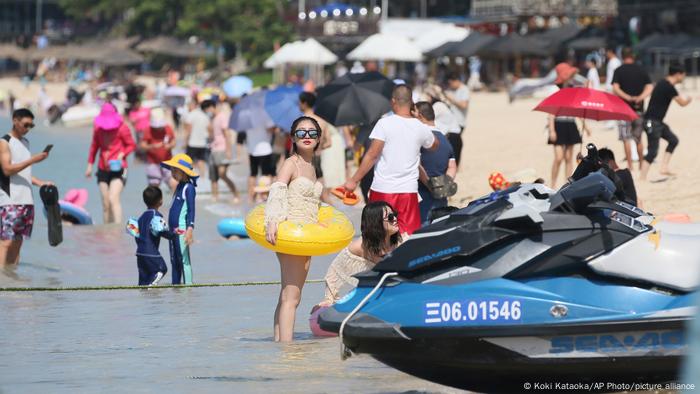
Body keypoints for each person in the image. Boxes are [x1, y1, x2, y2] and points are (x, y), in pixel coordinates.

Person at [343, 85, 439, 235]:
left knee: (378, 236)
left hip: (383, 189)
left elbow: (372, 155)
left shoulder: (384, 123)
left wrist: (354, 180)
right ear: (411, 102)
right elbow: (434, 145)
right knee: (405, 238)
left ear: (393, 101)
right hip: (408, 191)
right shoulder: (420, 127)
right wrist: (418, 122)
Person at [265, 116, 324, 342]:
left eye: (312, 133)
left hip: (306, 235)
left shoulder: (311, 166)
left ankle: (279, 344)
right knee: (292, 297)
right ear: (293, 138)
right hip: (291, 234)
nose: (307, 136)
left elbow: (309, 202)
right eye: (301, 133)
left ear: (318, 138)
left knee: (286, 295)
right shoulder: (292, 163)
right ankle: (288, 352)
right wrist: (273, 220)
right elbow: (278, 190)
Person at [317, 201, 402, 307]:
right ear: (376, 223)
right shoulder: (359, 246)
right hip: (373, 296)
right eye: (390, 217)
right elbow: (335, 271)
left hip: (396, 292)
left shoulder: (401, 241)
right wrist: (329, 299)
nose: (394, 219)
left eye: (394, 214)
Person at [0, 109, 52, 266]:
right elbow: (7, 169)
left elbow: (24, 174)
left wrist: (41, 183)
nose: (28, 129)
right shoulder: (4, 142)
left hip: (27, 200)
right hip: (9, 200)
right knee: (6, 242)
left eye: (31, 126)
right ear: (15, 120)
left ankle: (12, 282)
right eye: (25, 124)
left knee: (18, 243)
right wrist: (33, 160)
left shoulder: (26, 143)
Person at [86, 102, 136, 224]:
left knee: (113, 198)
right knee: (105, 203)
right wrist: (89, 166)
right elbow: (94, 147)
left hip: (119, 169)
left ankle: (117, 230)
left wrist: (122, 154)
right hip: (102, 169)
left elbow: (131, 145)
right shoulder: (98, 129)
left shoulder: (122, 128)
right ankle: (107, 232)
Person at [640, 63, 692, 181]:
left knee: (673, 140)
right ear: (678, 74)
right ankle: (642, 178)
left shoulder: (662, 82)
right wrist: (689, 100)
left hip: (657, 122)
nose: (683, 78)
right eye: (683, 75)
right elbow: (682, 103)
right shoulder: (668, 86)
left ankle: (664, 168)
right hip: (652, 122)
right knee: (652, 151)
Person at [413, 102, 457, 224]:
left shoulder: (420, 138)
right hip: (442, 194)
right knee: (440, 226)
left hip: (423, 194)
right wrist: (445, 183)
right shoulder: (444, 139)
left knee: (423, 231)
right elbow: (452, 166)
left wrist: (430, 184)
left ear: (420, 116)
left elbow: (416, 164)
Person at [547, 65, 590, 188]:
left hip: (570, 123)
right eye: (570, 75)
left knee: (568, 158)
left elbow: (576, 109)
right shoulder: (554, 90)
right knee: (559, 157)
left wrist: (585, 125)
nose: (572, 78)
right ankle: (553, 184)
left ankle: (567, 184)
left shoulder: (572, 90)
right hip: (558, 124)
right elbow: (551, 112)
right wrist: (551, 130)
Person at [612, 47, 653, 171]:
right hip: (638, 109)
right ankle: (641, 164)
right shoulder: (641, 70)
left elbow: (615, 88)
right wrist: (640, 97)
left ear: (622, 56)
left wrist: (627, 97)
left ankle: (630, 165)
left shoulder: (618, 71)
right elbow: (650, 87)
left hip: (623, 109)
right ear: (633, 56)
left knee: (626, 139)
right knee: (638, 138)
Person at [161, 153, 198, 285]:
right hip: (172, 232)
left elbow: (191, 210)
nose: (172, 172)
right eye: (171, 169)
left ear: (184, 172)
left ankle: (189, 288)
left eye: (175, 170)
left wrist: (190, 229)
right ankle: (175, 289)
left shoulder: (189, 188)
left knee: (184, 260)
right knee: (174, 261)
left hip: (182, 231)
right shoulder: (179, 187)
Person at [132, 186, 177, 286]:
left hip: (140, 253)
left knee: (143, 279)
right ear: (160, 201)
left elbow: (136, 235)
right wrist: (174, 235)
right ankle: (152, 284)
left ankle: (146, 296)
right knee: (162, 269)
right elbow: (162, 232)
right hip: (151, 252)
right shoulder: (156, 216)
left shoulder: (141, 217)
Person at [209, 100, 239, 203]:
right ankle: (215, 197)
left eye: (208, 108)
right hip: (213, 149)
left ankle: (236, 194)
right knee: (213, 176)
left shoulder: (222, 117)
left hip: (222, 149)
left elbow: (227, 134)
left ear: (213, 107)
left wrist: (229, 150)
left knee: (222, 174)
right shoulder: (213, 118)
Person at [140, 107, 177, 190]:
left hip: (168, 161)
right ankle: (157, 202)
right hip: (152, 162)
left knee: (174, 184)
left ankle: (176, 202)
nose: (159, 129)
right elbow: (142, 145)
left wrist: (170, 146)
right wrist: (152, 146)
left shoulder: (168, 128)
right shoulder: (148, 130)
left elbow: (174, 141)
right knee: (154, 186)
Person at [298, 92, 331, 184]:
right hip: (317, 157)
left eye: (299, 102)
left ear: (304, 103)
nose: (298, 105)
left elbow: (297, 143)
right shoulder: (322, 121)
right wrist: (318, 148)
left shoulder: (301, 121)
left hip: (303, 159)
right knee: (320, 187)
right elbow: (329, 142)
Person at [245, 112, 275, 203]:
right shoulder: (265, 115)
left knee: (253, 174)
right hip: (265, 148)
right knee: (266, 174)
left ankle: (250, 198)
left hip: (252, 149)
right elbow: (271, 129)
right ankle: (264, 196)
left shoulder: (247, 116)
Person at [183, 99, 215, 178]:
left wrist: (185, 142)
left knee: (189, 161)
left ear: (192, 106)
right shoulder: (204, 115)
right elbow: (210, 128)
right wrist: (211, 139)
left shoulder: (191, 115)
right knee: (201, 161)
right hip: (203, 143)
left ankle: (189, 176)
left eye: (188, 106)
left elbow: (188, 130)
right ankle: (203, 178)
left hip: (192, 143)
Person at [443, 73, 469, 166]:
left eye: (451, 83)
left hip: (459, 122)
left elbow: (464, 105)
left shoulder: (464, 89)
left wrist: (451, 99)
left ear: (456, 80)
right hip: (450, 123)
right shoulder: (451, 90)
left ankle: (455, 165)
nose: (450, 85)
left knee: (455, 144)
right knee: (450, 145)